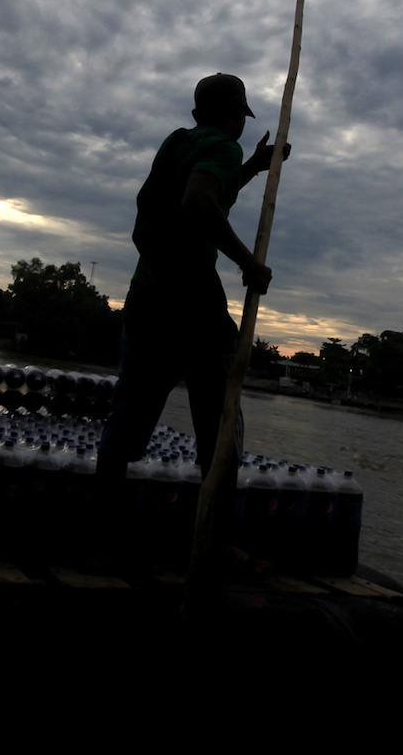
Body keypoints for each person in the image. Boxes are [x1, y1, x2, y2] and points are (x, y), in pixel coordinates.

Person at [96, 72, 289, 546]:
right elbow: (200, 199)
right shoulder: (224, 146)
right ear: (235, 118)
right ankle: (214, 543)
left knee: (126, 419)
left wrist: (255, 166)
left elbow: (206, 189)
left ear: (197, 113)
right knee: (221, 424)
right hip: (192, 304)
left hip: (147, 296)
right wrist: (248, 263)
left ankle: (100, 535)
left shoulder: (177, 142)